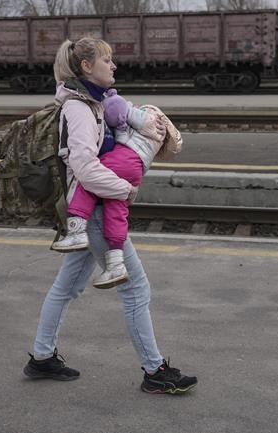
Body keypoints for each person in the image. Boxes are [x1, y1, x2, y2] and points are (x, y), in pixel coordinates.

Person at [23, 38, 197, 395]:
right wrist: (123, 189)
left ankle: (41, 357)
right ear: (87, 67)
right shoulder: (80, 109)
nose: (113, 65)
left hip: (90, 208)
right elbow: (85, 167)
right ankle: (155, 372)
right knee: (136, 289)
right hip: (98, 209)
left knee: (67, 286)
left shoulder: (94, 101)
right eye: (107, 59)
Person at [51, 88, 182, 289]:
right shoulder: (154, 141)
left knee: (88, 183)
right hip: (136, 169)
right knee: (117, 211)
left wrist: (115, 101)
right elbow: (123, 130)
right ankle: (116, 263)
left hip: (123, 158)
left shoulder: (149, 116)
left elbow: (119, 112)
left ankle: (76, 230)